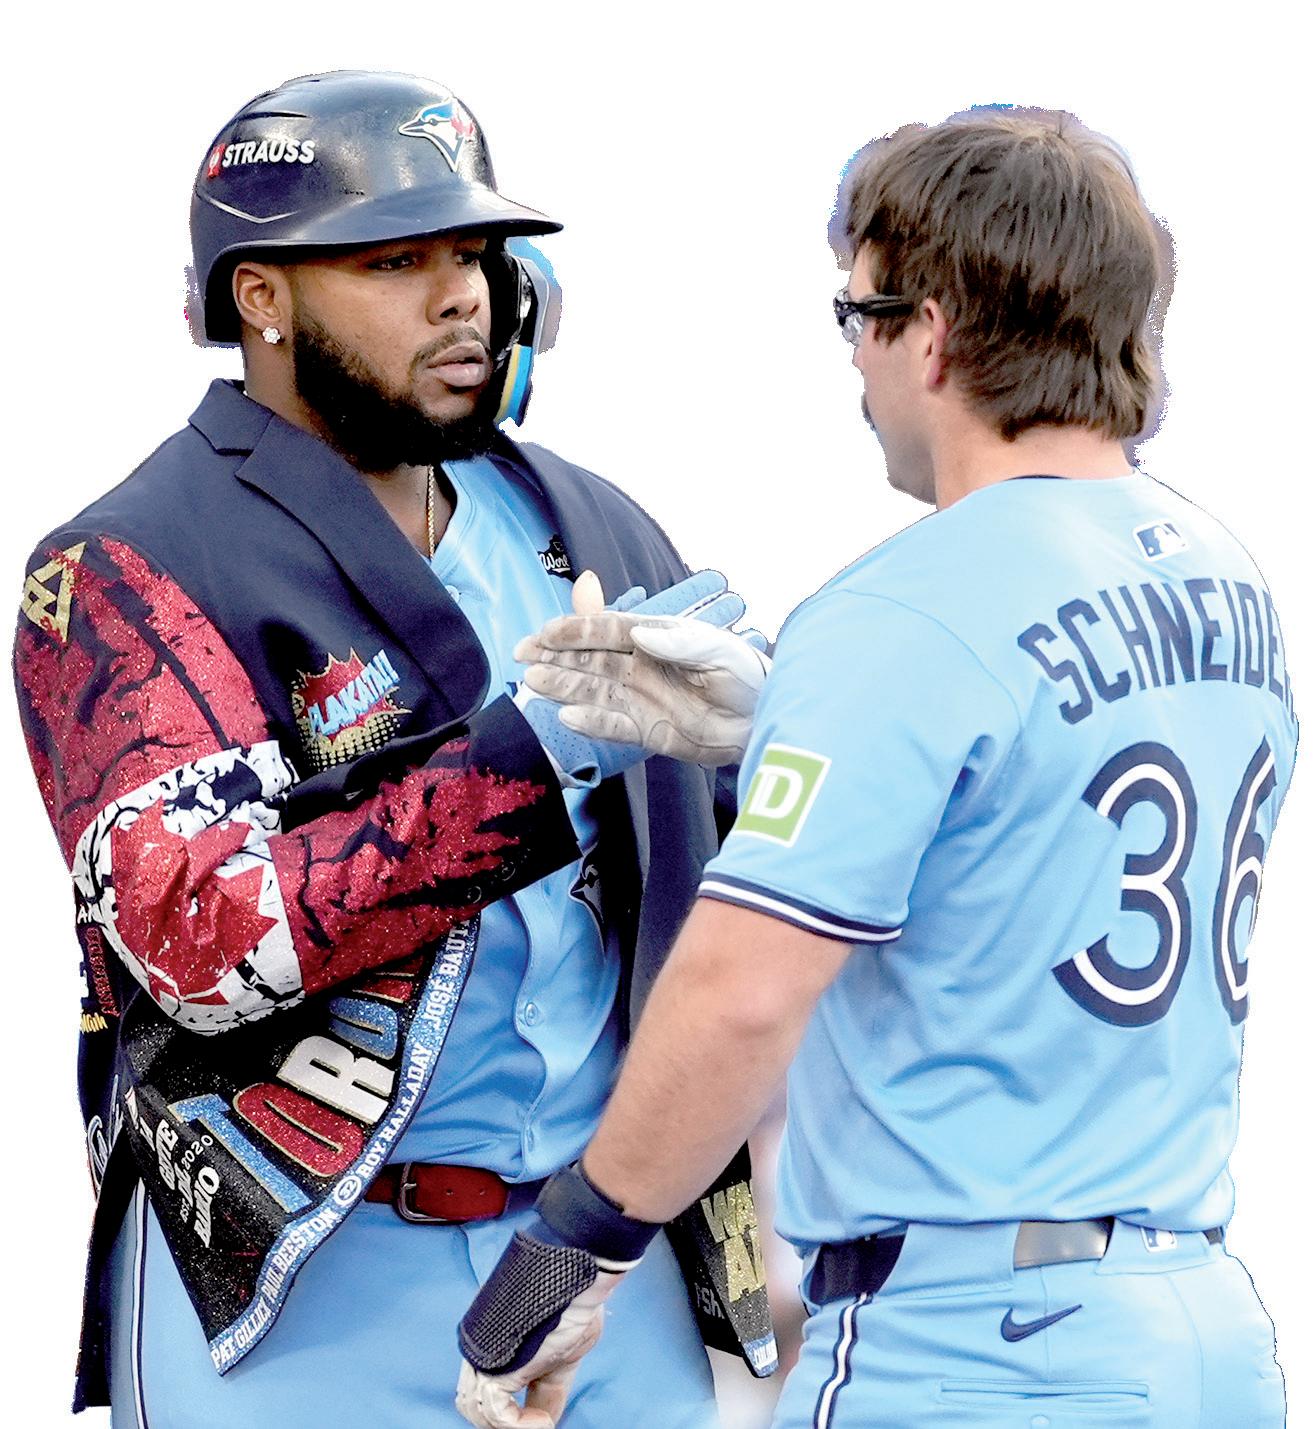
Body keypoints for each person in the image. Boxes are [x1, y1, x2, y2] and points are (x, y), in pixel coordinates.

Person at [456, 109, 1297, 1428]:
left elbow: (741, 995)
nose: (853, 358)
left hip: (978, 1347)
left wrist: (574, 1247)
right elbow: (1028, 804)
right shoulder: (1223, 572)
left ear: (934, 332)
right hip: (1196, 1322)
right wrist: (789, 719)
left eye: (857, 314)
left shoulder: (906, 607)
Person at [12, 69, 776, 1427]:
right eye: (394, 261)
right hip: (303, 1286)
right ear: (261, 297)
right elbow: (201, 937)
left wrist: (772, 746)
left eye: (473, 256)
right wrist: (532, 762)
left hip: (597, 1261)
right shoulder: (120, 569)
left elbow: (760, 898)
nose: (459, 296)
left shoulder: (593, 523)